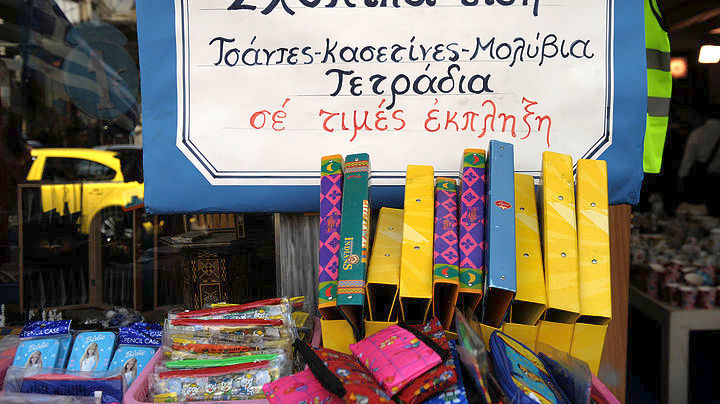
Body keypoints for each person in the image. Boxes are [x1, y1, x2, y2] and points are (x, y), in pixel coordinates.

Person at [678, 112, 720, 216]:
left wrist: (681, 179)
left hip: (698, 179)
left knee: (694, 212)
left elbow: (687, 160)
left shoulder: (698, 133)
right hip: (716, 181)